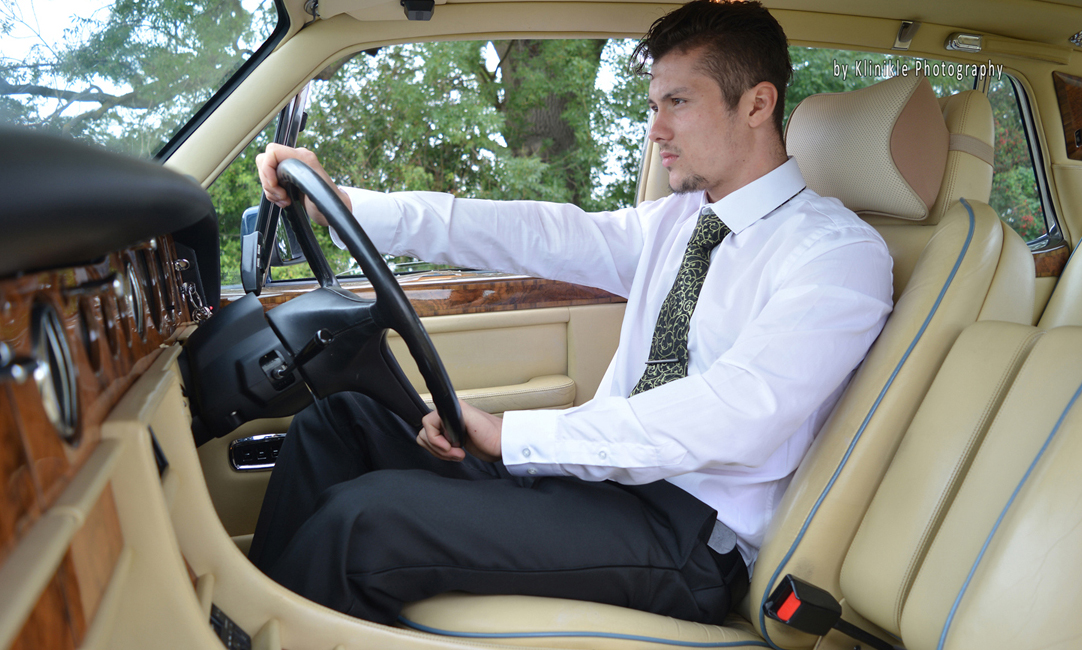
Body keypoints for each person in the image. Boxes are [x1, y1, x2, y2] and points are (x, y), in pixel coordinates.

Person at [248, 0, 893, 628]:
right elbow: (539, 232)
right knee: (337, 424)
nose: (656, 130)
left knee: (363, 522)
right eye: (652, 105)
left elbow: (735, 414)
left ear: (756, 103)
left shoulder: (838, 256)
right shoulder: (680, 222)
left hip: (689, 537)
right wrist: (355, 207)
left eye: (679, 103)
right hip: (600, 484)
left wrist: (519, 436)